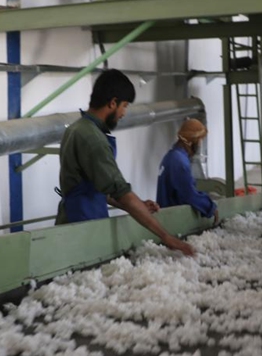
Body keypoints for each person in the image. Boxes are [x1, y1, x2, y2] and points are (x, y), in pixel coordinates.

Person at [55, 69, 194, 256]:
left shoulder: (77, 128)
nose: (124, 113)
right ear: (113, 103)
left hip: (75, 219)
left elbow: (101, 190)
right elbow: (120, 192)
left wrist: (140, 205)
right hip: (82, 225)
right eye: (125, 105)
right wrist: (166, 236)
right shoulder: (92, 138)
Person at [156, 119, 219, 224]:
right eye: (199, 140)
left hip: (165, 216)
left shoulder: (171, 156)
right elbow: (188, 194)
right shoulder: (179, 162)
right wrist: (211, 207)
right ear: (191, 142)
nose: (200, 145)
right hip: (173, 221)